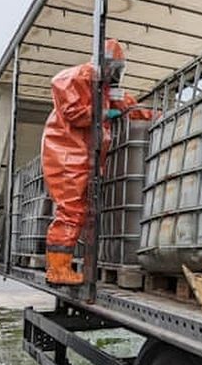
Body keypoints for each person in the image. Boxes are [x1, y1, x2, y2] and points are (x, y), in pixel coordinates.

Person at [40, 38, 153, 284]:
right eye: (115, 68)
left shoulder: (105, 90)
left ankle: (63, 265)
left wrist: (156, 116)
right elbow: (75, 113)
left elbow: (132, 109)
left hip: (84, 157)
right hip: (66, 155)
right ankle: (57, 270)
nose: (116, 74)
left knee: (80, 212)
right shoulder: (75, 78)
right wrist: (104, 113)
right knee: (70, 211)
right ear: (105, 64)